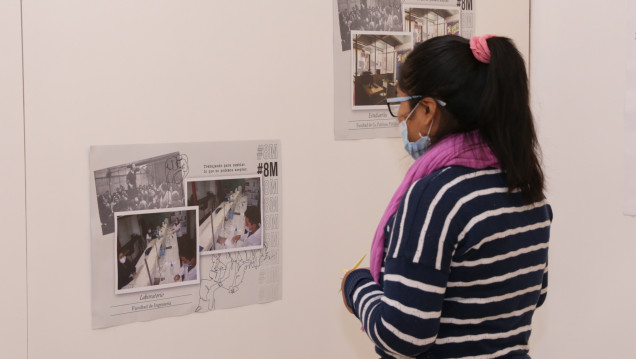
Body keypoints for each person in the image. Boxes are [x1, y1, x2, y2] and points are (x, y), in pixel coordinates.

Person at [341, 35, 552, 359]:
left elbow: (402, 335)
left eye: (400, 106)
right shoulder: (528, 188)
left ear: (427, 110)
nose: (399, 120)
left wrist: (355, 286)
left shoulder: (435, 197)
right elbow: (533, 295)